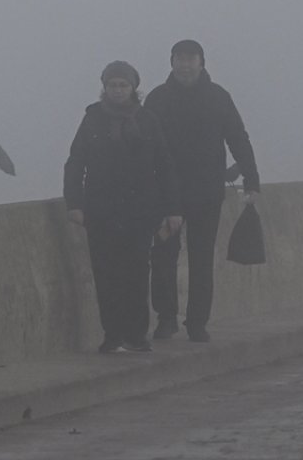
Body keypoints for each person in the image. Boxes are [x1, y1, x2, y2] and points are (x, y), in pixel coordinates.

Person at [145, 40, 260, 343]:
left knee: (201, 259)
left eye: (190, 59)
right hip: (166, 195)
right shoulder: (157, 99)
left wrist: (252, 179)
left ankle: (197, 322)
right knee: (162, 259)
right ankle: (166, 318)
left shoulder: (218, 97)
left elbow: (238, 138)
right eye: (179, 59)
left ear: (201, 62)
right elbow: (144, 148)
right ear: (171, 62)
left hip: (207, 193)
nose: (185, 65)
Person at [65, 61, 184, 354]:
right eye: (112, 85)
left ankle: (136, 334)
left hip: (139, 209)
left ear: (133, 88)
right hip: (101, 209)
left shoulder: (147, 120)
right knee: (106, 274)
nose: (117, 91)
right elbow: (75, 162)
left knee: (136, 273)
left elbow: (164, 165)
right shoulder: (92, 118)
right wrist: (74, 203)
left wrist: (173, 209)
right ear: (104, 87)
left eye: (123, 85)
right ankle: (112, 335)